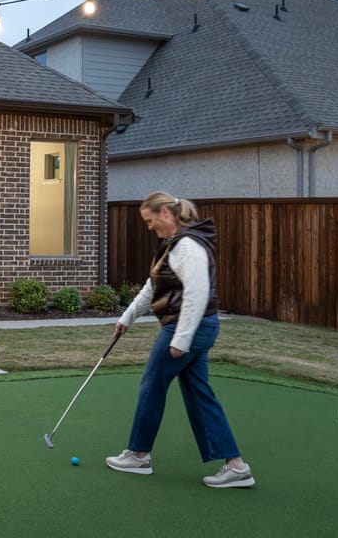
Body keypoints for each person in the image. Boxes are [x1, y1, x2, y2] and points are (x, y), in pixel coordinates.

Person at [105, 191, 255, 488]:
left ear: (164, 213)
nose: (149, 227)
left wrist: (182, 339)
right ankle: (236, 466)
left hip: (189, 328)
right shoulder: (172, 245)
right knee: (199, 392)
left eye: (150, 220)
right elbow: (152, 287)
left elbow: (196, 294)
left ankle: (138, 454)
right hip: (194, 328)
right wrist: (126, 318)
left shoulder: (187, 246)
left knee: (152, 382)